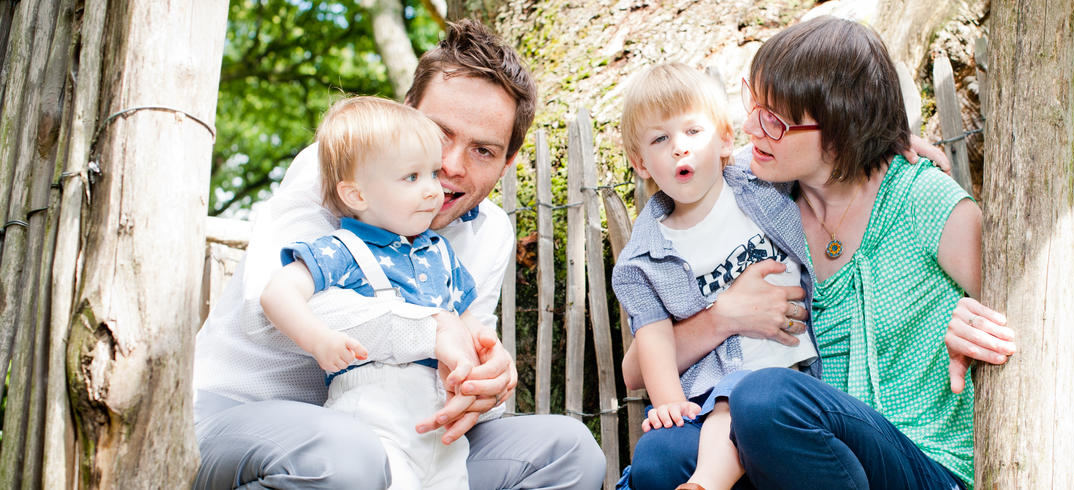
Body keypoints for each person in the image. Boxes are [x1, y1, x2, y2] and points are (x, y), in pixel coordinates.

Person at [193, 20, 605, 489]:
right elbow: (269, 307)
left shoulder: (491, 232)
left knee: (569, 451)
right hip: (242, 416)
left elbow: (466, 338)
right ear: (406, 111)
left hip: (407, 440)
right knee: (346, 455)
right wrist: (430, 329)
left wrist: (486, 380)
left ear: (508, 162)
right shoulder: (336, 176)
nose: (450, 166)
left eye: (483, 151)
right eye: (439, 133)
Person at [620, 17, 1017, 490]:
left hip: (919, 463)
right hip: (809, 459)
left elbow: (1026, 313)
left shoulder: (922, 201)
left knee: (763, 398)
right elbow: (634, 369)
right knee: (661, 458)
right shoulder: (764, 202)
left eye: (773, 119)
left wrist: (976, 329)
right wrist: (722, 318)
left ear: (839, 128)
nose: (748, 128)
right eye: (753, 105)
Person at [611, 63, 820, 490]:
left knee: (759, 401)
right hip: (720, 387)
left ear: (726, 138)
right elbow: (652, 334)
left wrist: (891, 144)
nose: (678, 149)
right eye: (659, 139)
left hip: (802, 370)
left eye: (693, 132)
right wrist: (670, 403)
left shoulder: (760, 183)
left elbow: (822, 155)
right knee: (736, 399)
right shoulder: (642, 260)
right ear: (641, 163)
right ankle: (705, 483)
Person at [259, 96, 485, 489]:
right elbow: (277, 294)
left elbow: (466, 324)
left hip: (441, 429)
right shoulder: (342, 248)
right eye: (412, 178)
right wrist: (319, 339)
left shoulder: (440, 254)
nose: (434, 190)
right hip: (375, 419)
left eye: (433, 173)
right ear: (357, 195)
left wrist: (480, 359)